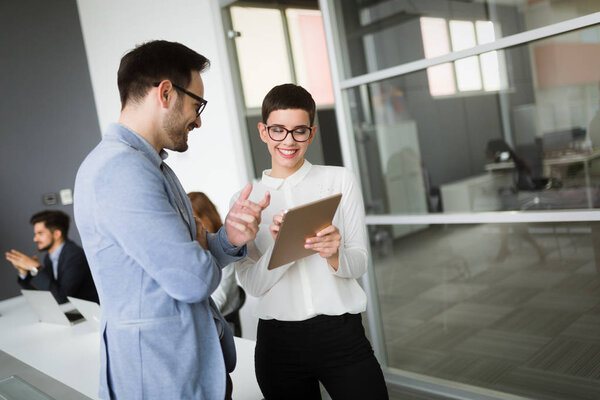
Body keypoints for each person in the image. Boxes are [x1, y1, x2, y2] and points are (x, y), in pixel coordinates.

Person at [73, 40, 269, 400]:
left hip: (188, 371)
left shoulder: (151, 164)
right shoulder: (121, 170)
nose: (198, 119)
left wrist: (229, 238)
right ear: (165, 92)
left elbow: (190, 255)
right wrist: (196, 255)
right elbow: (192, 279)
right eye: (197, 104)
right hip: (163, 379)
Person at [230, 84, 388, 399]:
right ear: (263, 131)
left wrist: (334, 254)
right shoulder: (245, 200)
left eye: (299, 131)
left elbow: (359, 262)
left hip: (341, 334)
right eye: (278, 130)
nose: (288, 141)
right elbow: (253, 285)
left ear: (311, 134)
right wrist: (281, 246)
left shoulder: (339, 180)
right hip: (279, 345)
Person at [5, 210, 98, 304]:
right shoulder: (49, 257)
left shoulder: (75, 256)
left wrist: (36, 268)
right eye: (35, 234)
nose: (35, 239)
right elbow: (45, 292)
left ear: (57, 234)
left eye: (40, 233)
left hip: (89, 313)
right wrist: (24, 271)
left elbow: (61, 298)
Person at [188, 191, 246, 336]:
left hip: (225, 325)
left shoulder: (224, 251)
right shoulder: (193, 248)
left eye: (195, 219)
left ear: (205, 217)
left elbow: (220, 299)